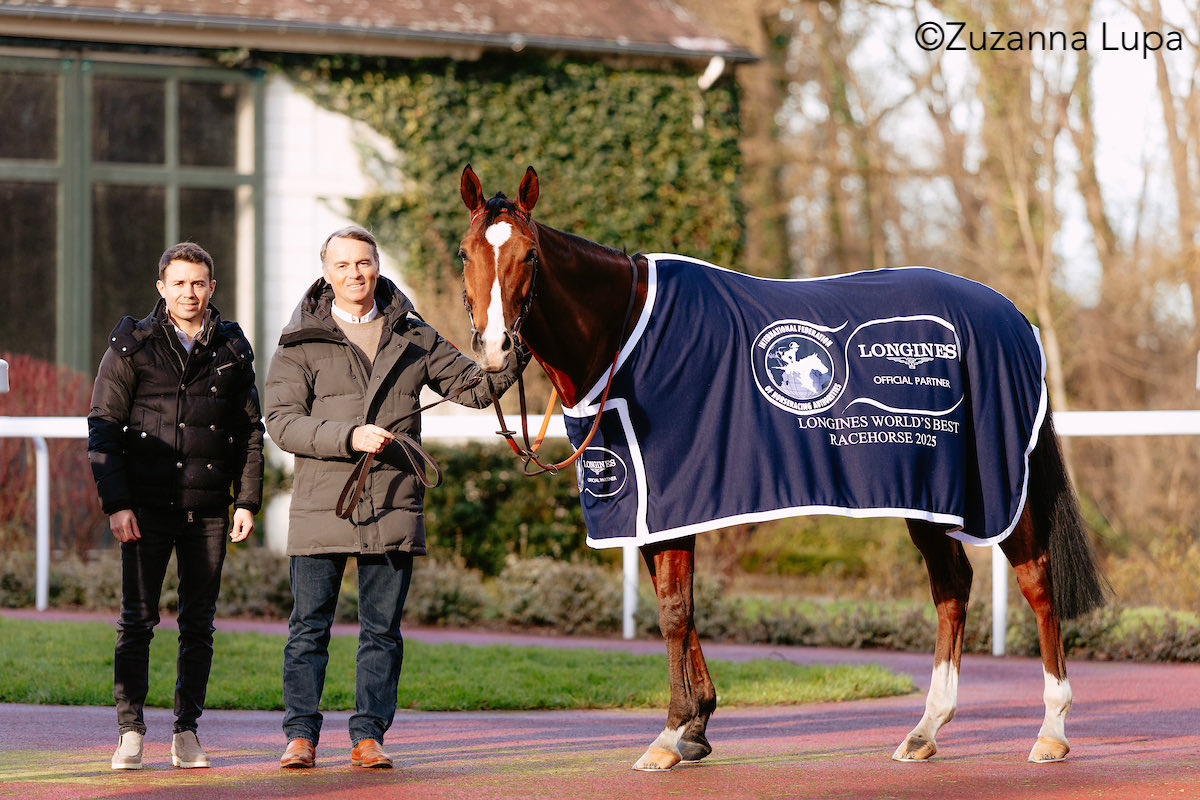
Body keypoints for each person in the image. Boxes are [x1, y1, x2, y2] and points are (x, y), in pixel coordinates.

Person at [265, 225, 525, 770]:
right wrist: (349, 436)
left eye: (363, 263)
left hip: (393, 504)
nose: (354, 274)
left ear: (377, 266)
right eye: (342, 265)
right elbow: (282, 422)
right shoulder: (299, 340)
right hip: (322, 505)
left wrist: (514, 351)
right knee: (308, 628)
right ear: (326, 273)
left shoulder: (414, 333)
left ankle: (368, 736)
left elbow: (474, 388)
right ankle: (300, 737)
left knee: (381, 631)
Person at [88, 241, 264, 770]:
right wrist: (117, 504)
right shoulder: (132, 345)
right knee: (137, 620)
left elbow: (249, 431)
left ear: (212, 287)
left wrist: (247, 500)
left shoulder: (232, 347)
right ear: (161, 288)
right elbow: (104, 426)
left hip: (208, 510)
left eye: (199, 283)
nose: (190, 292)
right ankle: (130, 732)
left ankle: (186, 731)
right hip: (145, 508)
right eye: (180, 283)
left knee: (198, 624)